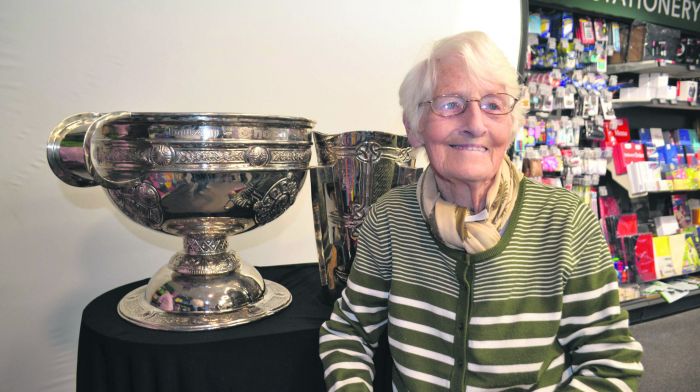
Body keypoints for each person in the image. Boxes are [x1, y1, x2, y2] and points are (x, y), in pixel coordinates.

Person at [319, 31, 643, 391]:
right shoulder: (391, 218)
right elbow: (348, 331)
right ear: (414, 128)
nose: (475, 124)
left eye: (493, 104)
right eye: (449, 103)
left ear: (511, 125)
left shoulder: (565, 221)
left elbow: (610, 363)